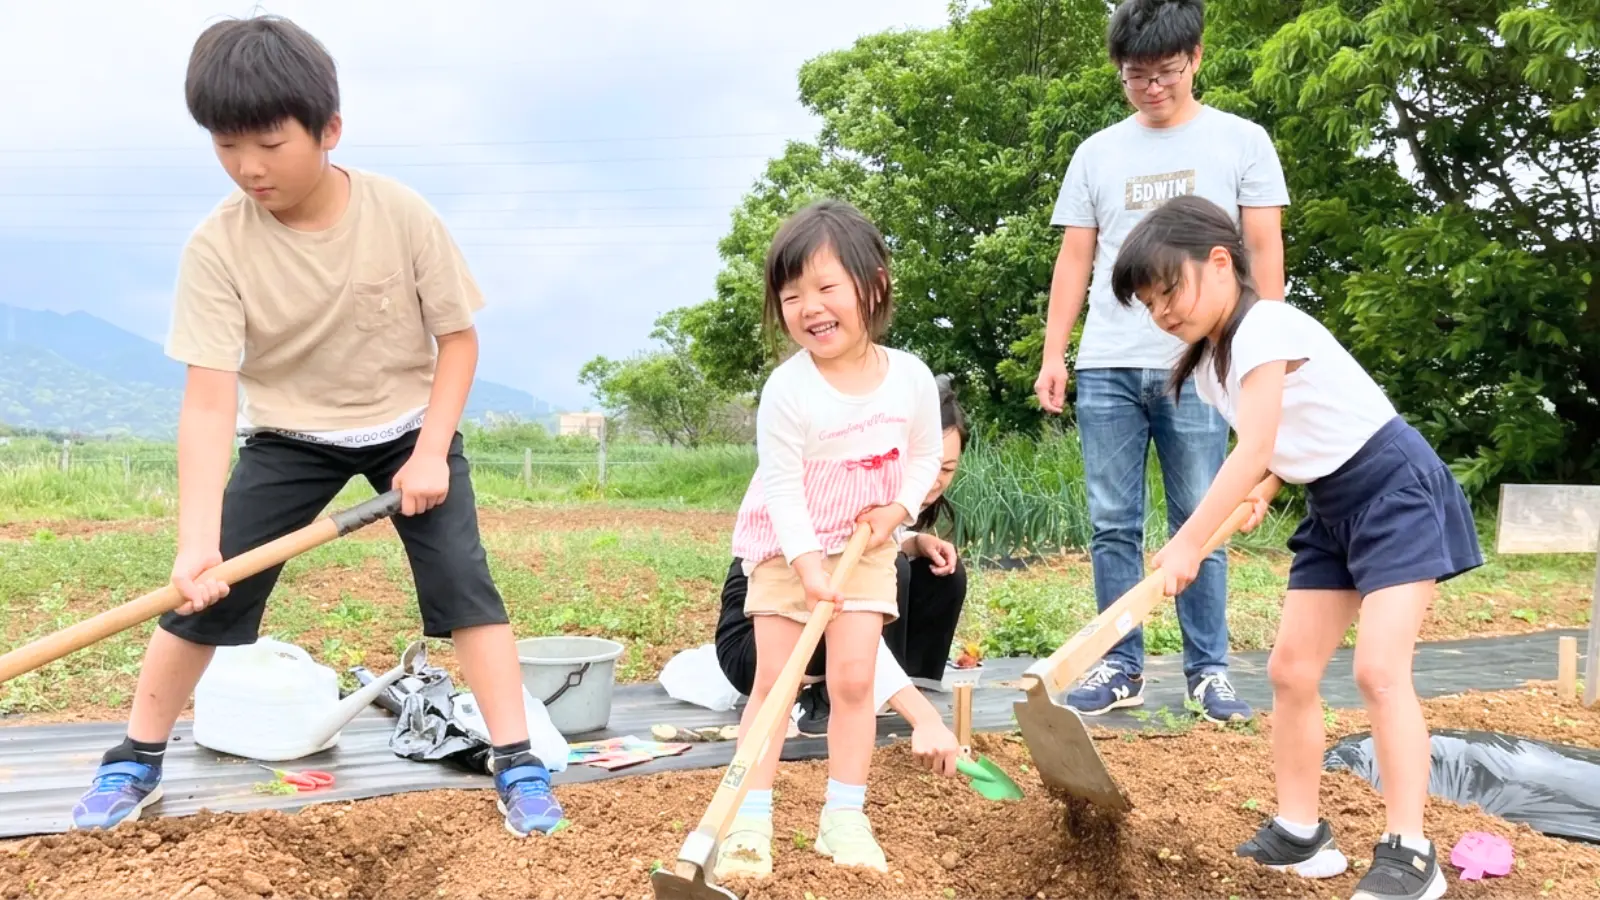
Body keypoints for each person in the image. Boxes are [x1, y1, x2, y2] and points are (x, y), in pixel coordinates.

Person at [68, 15, 564, 838]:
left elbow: (459, 340)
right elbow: (207, 398)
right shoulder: (217, 245)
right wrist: (196, 542)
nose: (247, 168)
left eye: (268, 143)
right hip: (291, 435)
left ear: (329, 130)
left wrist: (433, 450)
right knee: (203, 592)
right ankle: (134, 758)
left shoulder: (399, 213)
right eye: (226, 146)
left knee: (465, 588)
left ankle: (518, 762)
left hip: (410, 428)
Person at [1109, 194, 1481, 900]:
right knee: (1290, 669)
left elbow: (1252, 444)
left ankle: (1411, 851)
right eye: (1149, 304)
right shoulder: (1212, 363)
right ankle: (1302, 831)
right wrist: (1266, 486)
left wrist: (1188, 542)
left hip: (1394, 490)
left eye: (1169, 291)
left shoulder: (1266, 324)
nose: (1163, 312)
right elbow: (1282, 436)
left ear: (1220, 263)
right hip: (1333, 503)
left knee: (1379, 671)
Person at [1033, 0, 1290, 724]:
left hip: (1203, 363)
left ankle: (1208, 672)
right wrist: (1056, 353)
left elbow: (1264, 251)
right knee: (1113, 522)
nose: (1150, 87)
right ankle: (1120, 665)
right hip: (1110, 363)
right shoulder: (1097, 152)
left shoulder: (1241, 142)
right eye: (1134, 74)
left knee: (1200, 518)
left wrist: (1261, 346)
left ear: (1197, 58)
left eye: (1165, 72)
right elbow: (1075, 256)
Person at [716, 199, 944, 880]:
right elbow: (782, 490)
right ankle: (749, 823)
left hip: (866, 547)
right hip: (787, 547)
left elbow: (926, 459)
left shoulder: (909, 377)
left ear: (872, 286)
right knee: (776, 685)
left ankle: (844, 816)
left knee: (851, 680)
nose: (809, 307)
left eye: (825, 288)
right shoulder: (789, 390)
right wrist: (808, 564)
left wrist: (897, 512)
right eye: (791, 296)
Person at [714, 375, 971, 751]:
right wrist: (924, 718)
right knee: (889, 572)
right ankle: (825, 696)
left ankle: (891, 689)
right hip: (758, 649)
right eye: (925, 465)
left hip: (831, 622)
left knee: (939, 572)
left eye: (946, 469)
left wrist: (915, 540)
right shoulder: (839, 478)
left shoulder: (888, 494)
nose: (932, 482)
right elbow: (844, 611)